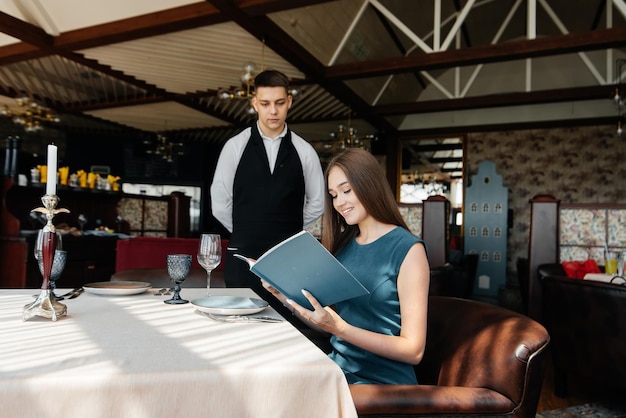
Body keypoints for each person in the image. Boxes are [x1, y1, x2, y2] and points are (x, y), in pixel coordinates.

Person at [262, 148, 430, 384]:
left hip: (381, 384)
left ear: (369, 185)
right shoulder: (344, 246)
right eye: (333, 195)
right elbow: (329, 325)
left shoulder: (409, 250)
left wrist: (340, 329)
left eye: (346, 191)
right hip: (337, 372)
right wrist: (282, 295)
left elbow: (414, 351)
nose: (339, 202)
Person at [210, 69, 325, 317]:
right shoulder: (234, 146)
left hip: (290, 260)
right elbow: (219, 202)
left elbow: (318, 202)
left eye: (279, 103)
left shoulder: (305, 151)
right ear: (255, 104)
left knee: (289, 324)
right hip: (242, 257)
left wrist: (288, 228)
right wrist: (247, 227)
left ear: (289, 102)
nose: (273, 111)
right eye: (265, 104)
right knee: (240, 325)